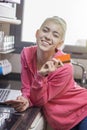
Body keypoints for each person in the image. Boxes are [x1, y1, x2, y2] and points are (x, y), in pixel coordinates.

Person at [6, 16, 87, 130]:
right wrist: (25, 100)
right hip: (61, 118)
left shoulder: (65, 65)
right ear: (37, 33)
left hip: (82, 109)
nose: (48, 37)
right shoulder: (26, 53)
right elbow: (27, 87)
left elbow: (40, 100)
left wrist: (40, 76)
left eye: (55, 35)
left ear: (59, 44)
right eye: (45, 30)